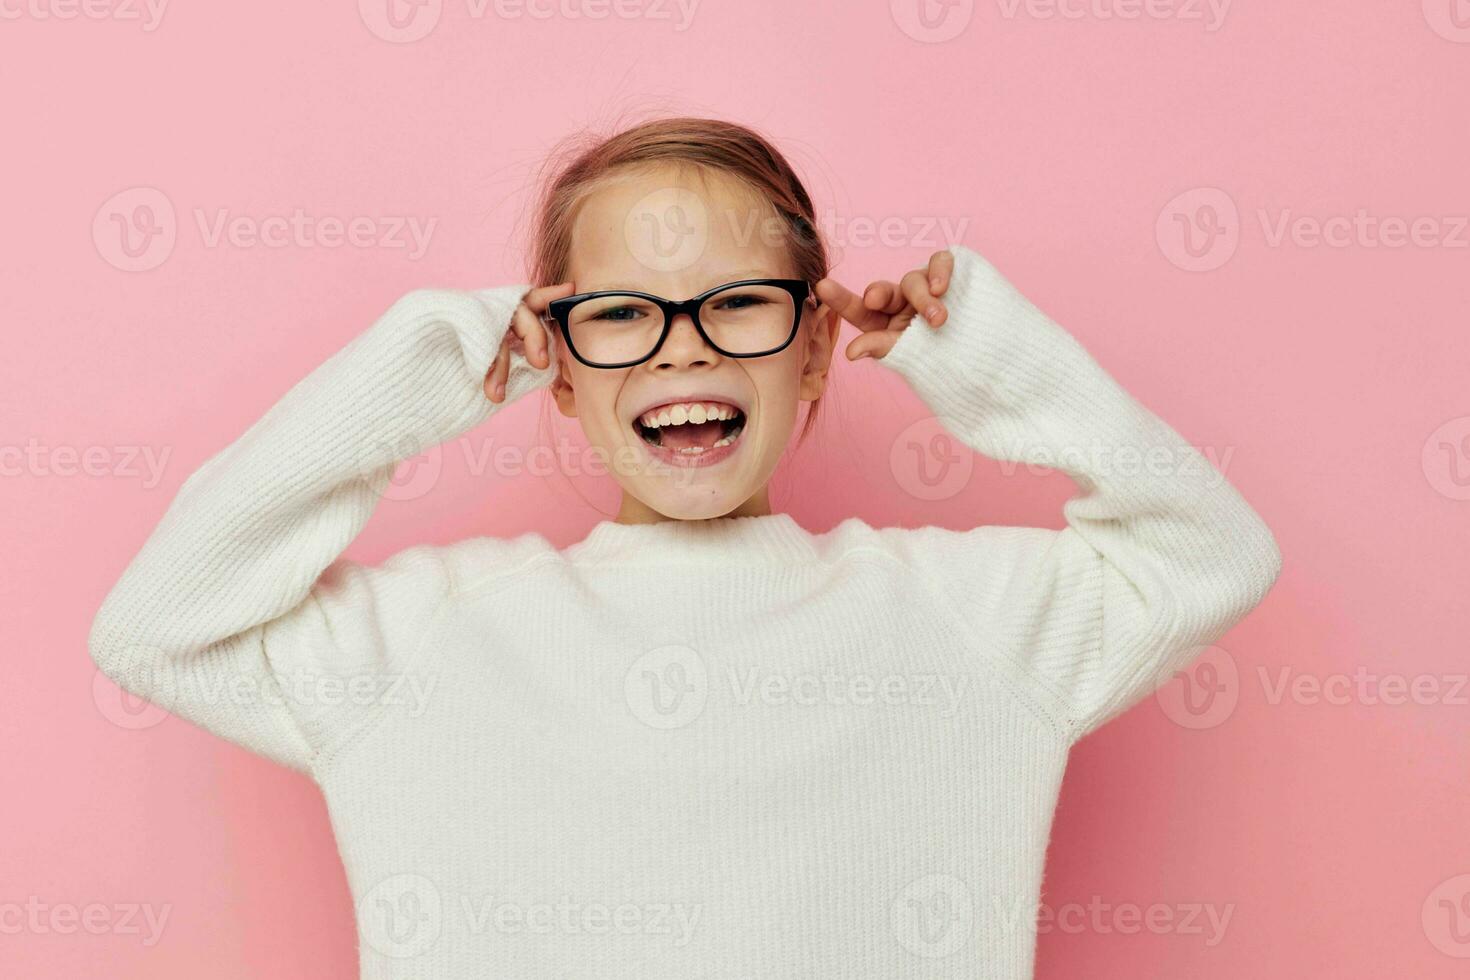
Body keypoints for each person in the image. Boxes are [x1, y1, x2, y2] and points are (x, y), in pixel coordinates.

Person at [89, 116, 1281, 979]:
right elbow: (157, 627)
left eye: (739, 302)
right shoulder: (419, 639)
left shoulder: (970, 616)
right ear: (553, 363)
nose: (681, 349)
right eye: (619, 313)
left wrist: (994, 361)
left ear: (816, 343)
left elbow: (1210, 551)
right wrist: (413, 374)